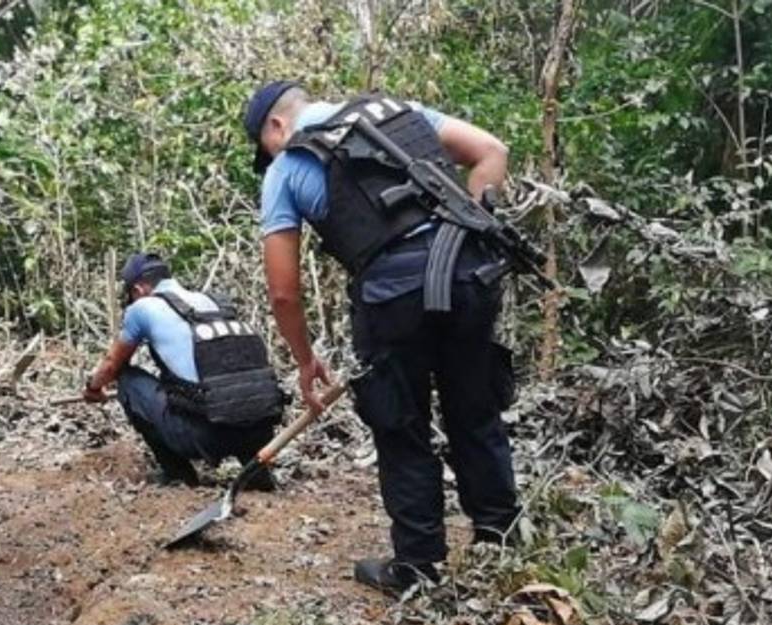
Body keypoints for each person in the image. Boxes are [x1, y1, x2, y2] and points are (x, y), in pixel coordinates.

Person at [244, 81, 521, 595]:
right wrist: (473, 228)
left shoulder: (286, 167)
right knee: (475, 410)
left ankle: (416, 567)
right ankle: (501, 542)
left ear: (276, 127)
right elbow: (492, 151)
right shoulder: (399, 112)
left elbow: (283, 292)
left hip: (393, 298)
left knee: (401, 424)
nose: (273, 156)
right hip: (468, 276)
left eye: (267, 147)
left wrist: (305, 360)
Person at [82, 253, 286, 489]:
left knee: (127, 379)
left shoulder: (142, 308)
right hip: (263, 432)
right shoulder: (214, 302)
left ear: (138, 289)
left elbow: (111, 365)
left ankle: (178, 474)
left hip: (207, 437)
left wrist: (93, 389)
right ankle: (256, 472)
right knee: (231, 389)